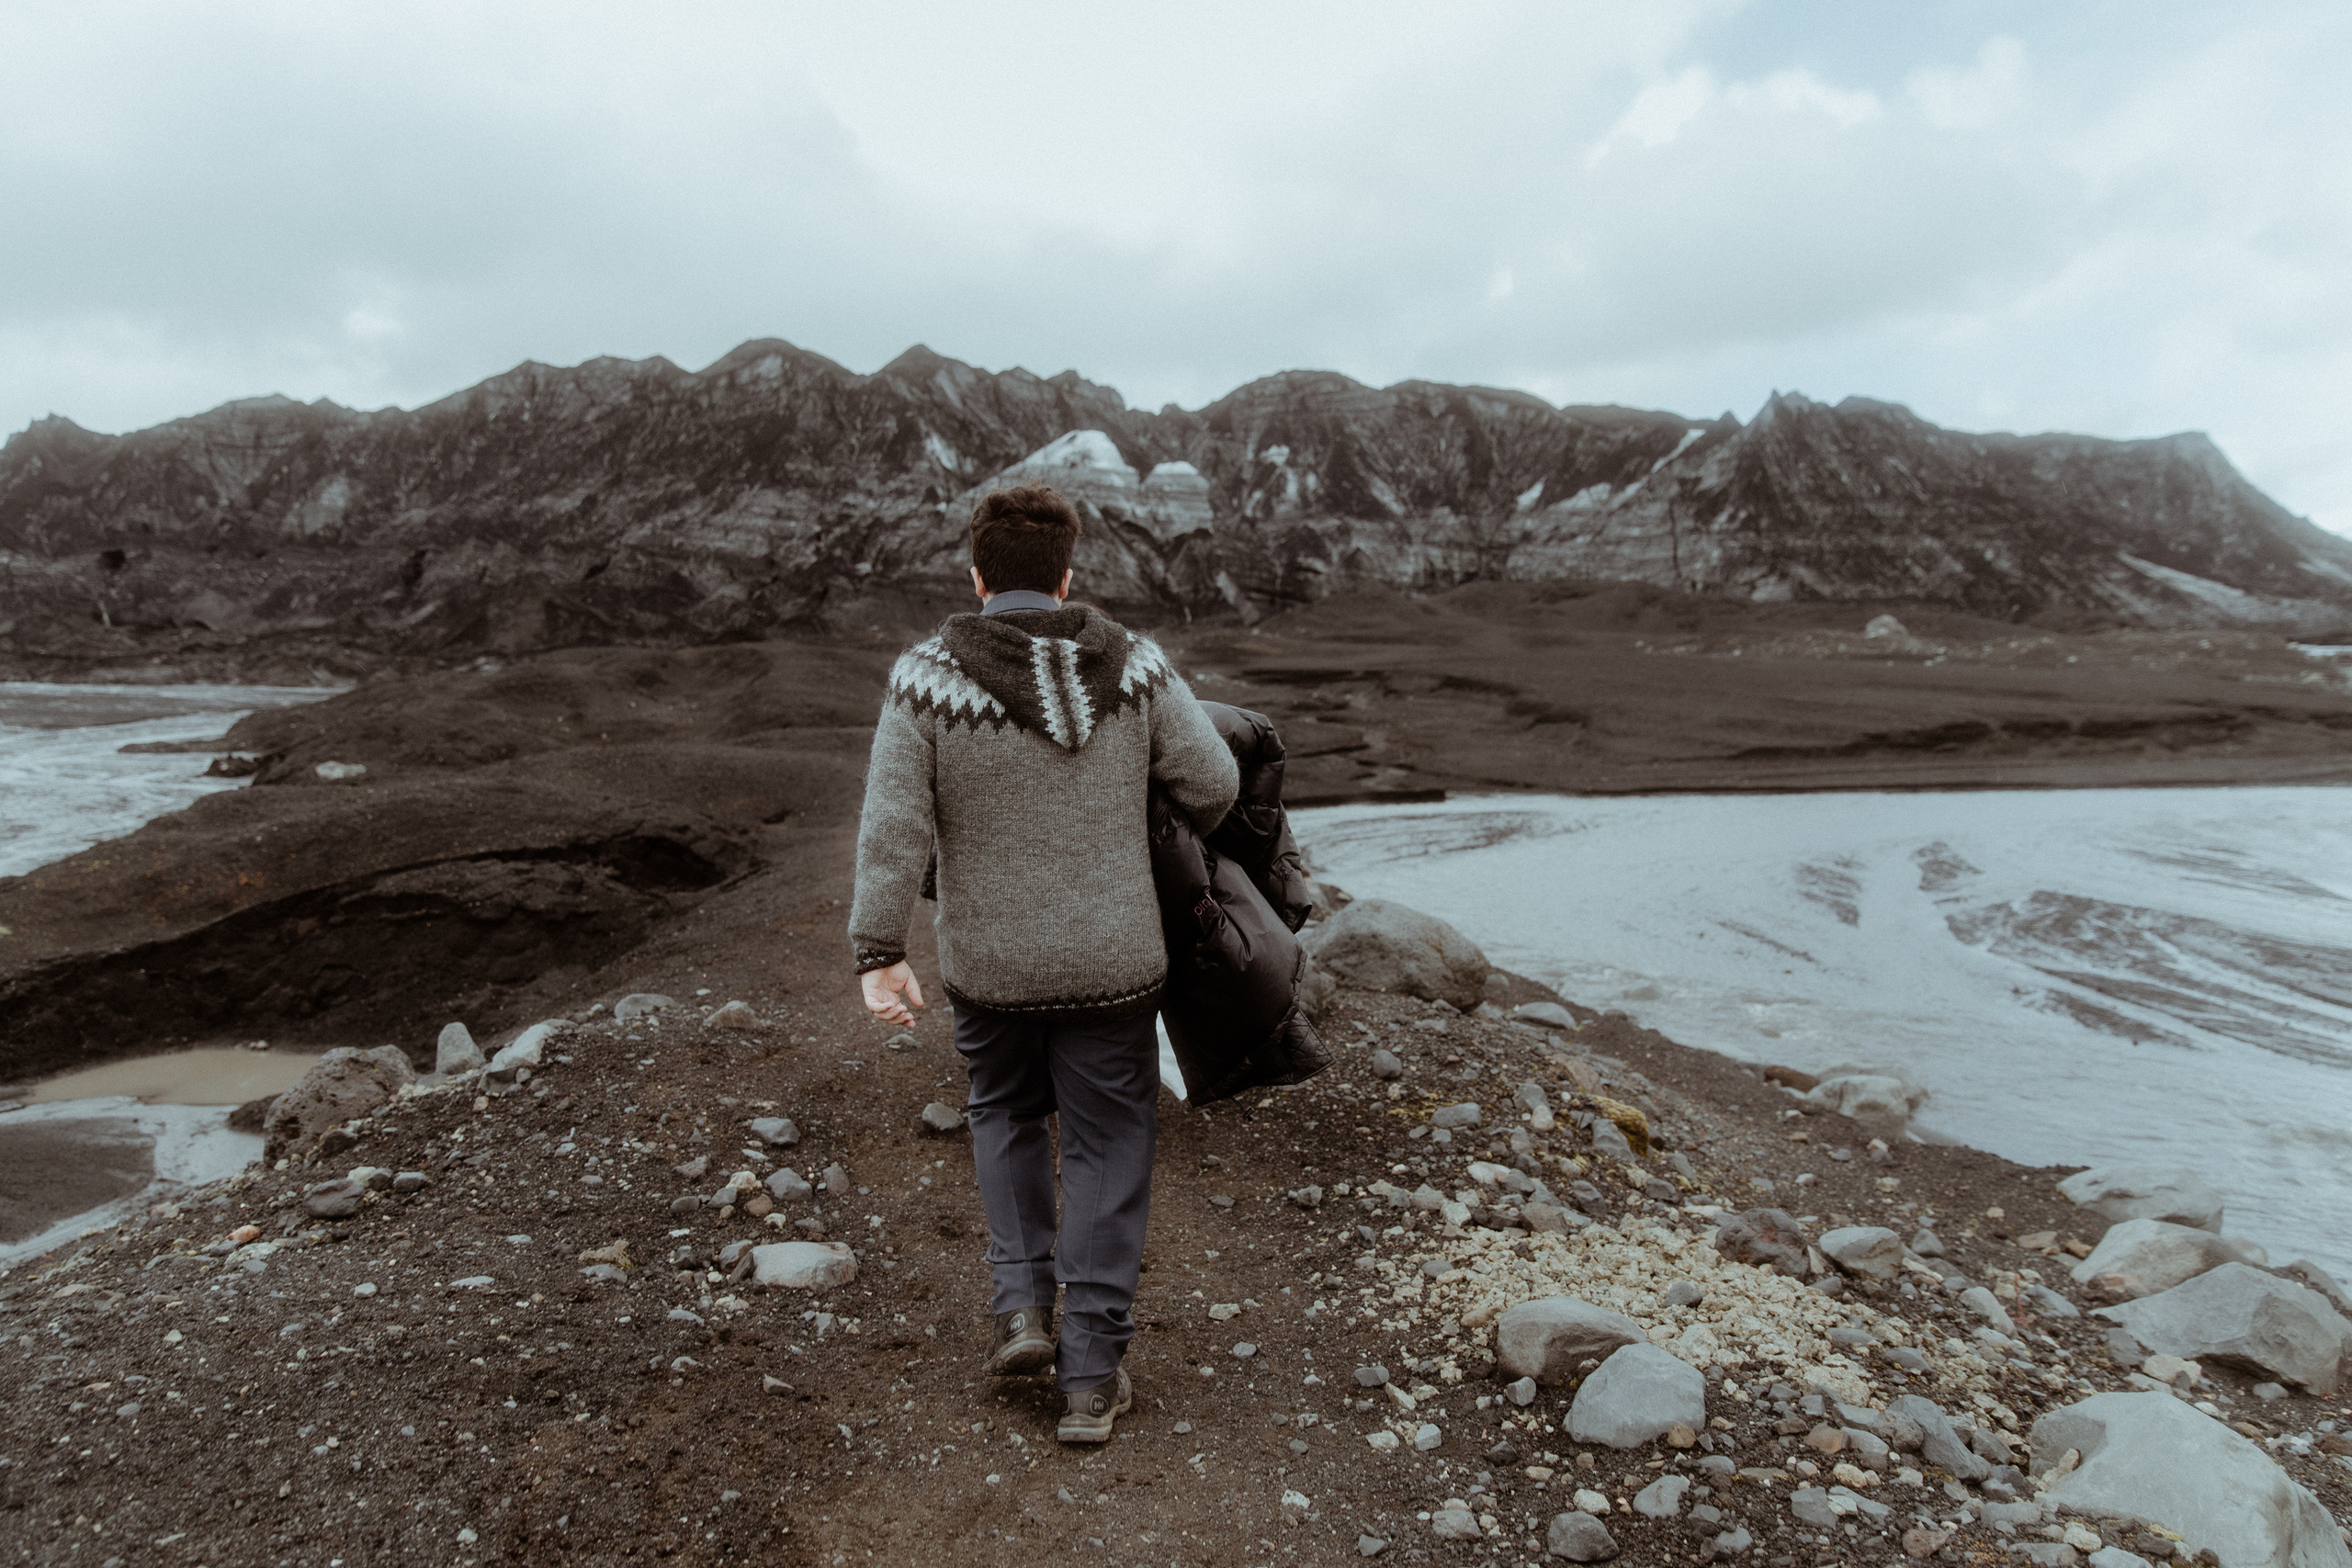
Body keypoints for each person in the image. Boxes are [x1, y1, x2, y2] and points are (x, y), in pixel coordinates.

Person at [847, 482, 1238, 1442]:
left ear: (977, 575)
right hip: (1114, 962)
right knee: (1109, 1145)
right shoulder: (1135, 665)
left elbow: (894, 826)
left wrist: (878, 951)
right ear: (1067, 576)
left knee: (1005, 1115)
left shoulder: (924, 677)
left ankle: (1021, 1311)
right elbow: (1215, 785)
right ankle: (1091, 1377)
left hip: (990, 967)